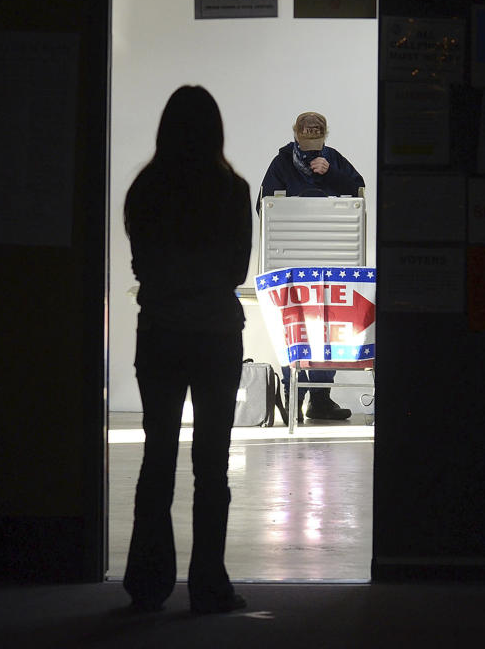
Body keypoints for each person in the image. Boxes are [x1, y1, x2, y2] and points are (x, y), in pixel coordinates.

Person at [122, 85, 250, 614]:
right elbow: (237, 271)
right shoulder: (232, 190)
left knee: (158, 458)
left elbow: (142, 266)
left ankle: (148, 584)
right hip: (217, 335)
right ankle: (208, 584)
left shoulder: (145, 189)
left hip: (160, 335)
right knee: (211, 466)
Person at [257, 112, 365, 421]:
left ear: (326, 136)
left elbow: (358, 192)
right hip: (290, 262)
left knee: (330, 329)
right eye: (306, 142)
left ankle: (320, 399)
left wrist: (331, 174)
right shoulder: (281, 163)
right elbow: (264, 205)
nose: (311, 149)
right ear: (295, 135)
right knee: (293, 329)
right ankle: (294, 398)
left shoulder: (334, 159)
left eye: (316, 143)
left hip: (333, 260)